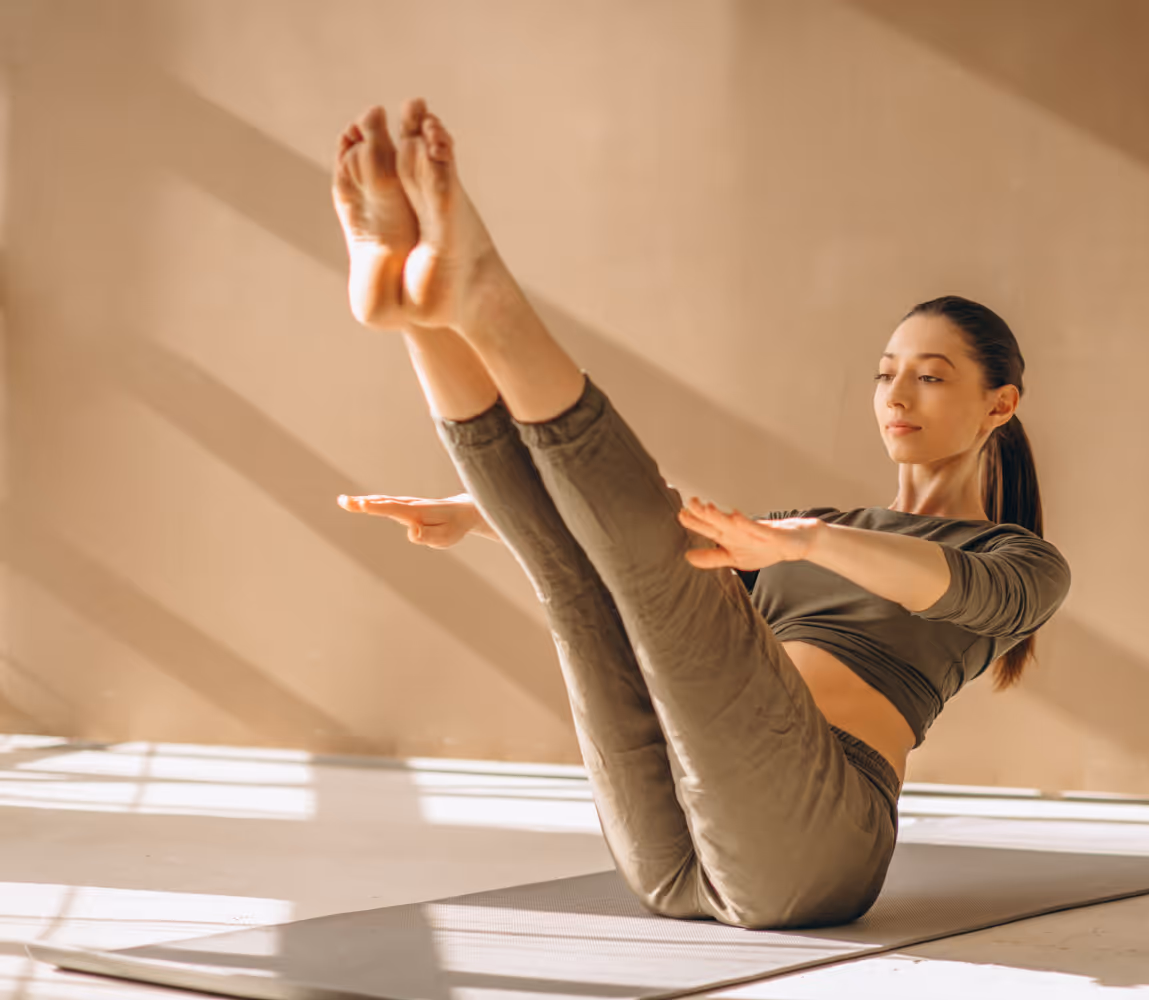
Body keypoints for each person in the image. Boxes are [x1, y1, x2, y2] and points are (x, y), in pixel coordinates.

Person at [330, 99, 1071, 930]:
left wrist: (810, 541)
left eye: (930, 376)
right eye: (885, 372)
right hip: (676, 853)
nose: (896, 395)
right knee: (580, 580)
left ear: (999, 404)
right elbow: (639, 530)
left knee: (657, 575)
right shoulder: (803, 529)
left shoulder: (1020, 563)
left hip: (817, 844)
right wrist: (477, 513)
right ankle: (422, 315)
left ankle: (484, 298)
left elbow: (944, 584)